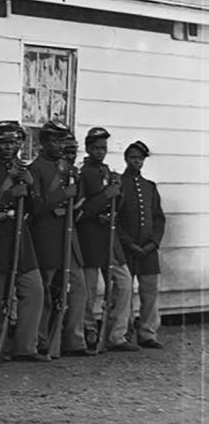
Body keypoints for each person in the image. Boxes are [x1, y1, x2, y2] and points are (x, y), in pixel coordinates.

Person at [0, 121, 47, 361]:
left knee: (34, 290)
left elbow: (37, 209)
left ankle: (26, 346)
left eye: (14, 141)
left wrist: (31, 185)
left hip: (21, 239)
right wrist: (9, 192)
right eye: (3, 142)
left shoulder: (25, 170)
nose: (9, 147)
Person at [28, 121, 90, 357]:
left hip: (69, 237)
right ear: (43, 143)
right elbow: (36, 206)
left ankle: (73, 339)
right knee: (45, 290)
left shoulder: (67, 168)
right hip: (47, 236)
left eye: (62, 141)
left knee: (78, 289)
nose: (59, 146)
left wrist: (75, 187)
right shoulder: (36, 169)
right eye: (54, 141)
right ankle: (42, 340)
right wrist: (64, 195)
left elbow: (79, 201)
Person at [77, 127, 139, 352]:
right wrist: (106, 196)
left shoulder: (106, 171)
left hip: (109, 238)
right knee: (89, 290)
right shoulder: (83, 173)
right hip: (91, 238)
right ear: (87, 148)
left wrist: (117, 192)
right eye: (95, 148)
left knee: (123, 283)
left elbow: (117, 206)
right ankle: (89, 331)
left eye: (103, 148)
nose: (100, 152)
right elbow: (80, 210)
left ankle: (116, 333)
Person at [117, 140, 166, 349]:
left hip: (148, 250)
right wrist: (128, 243)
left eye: (140, 158)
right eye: (133, 158)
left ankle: (147, 332)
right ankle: (125, 332)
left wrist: (153, 243)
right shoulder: (118, 183)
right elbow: (116, 220)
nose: (137, 162)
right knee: (124, 292)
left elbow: (158, 219)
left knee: (149, 291)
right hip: (127, 249)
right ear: (126, 159)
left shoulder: (149, 187)